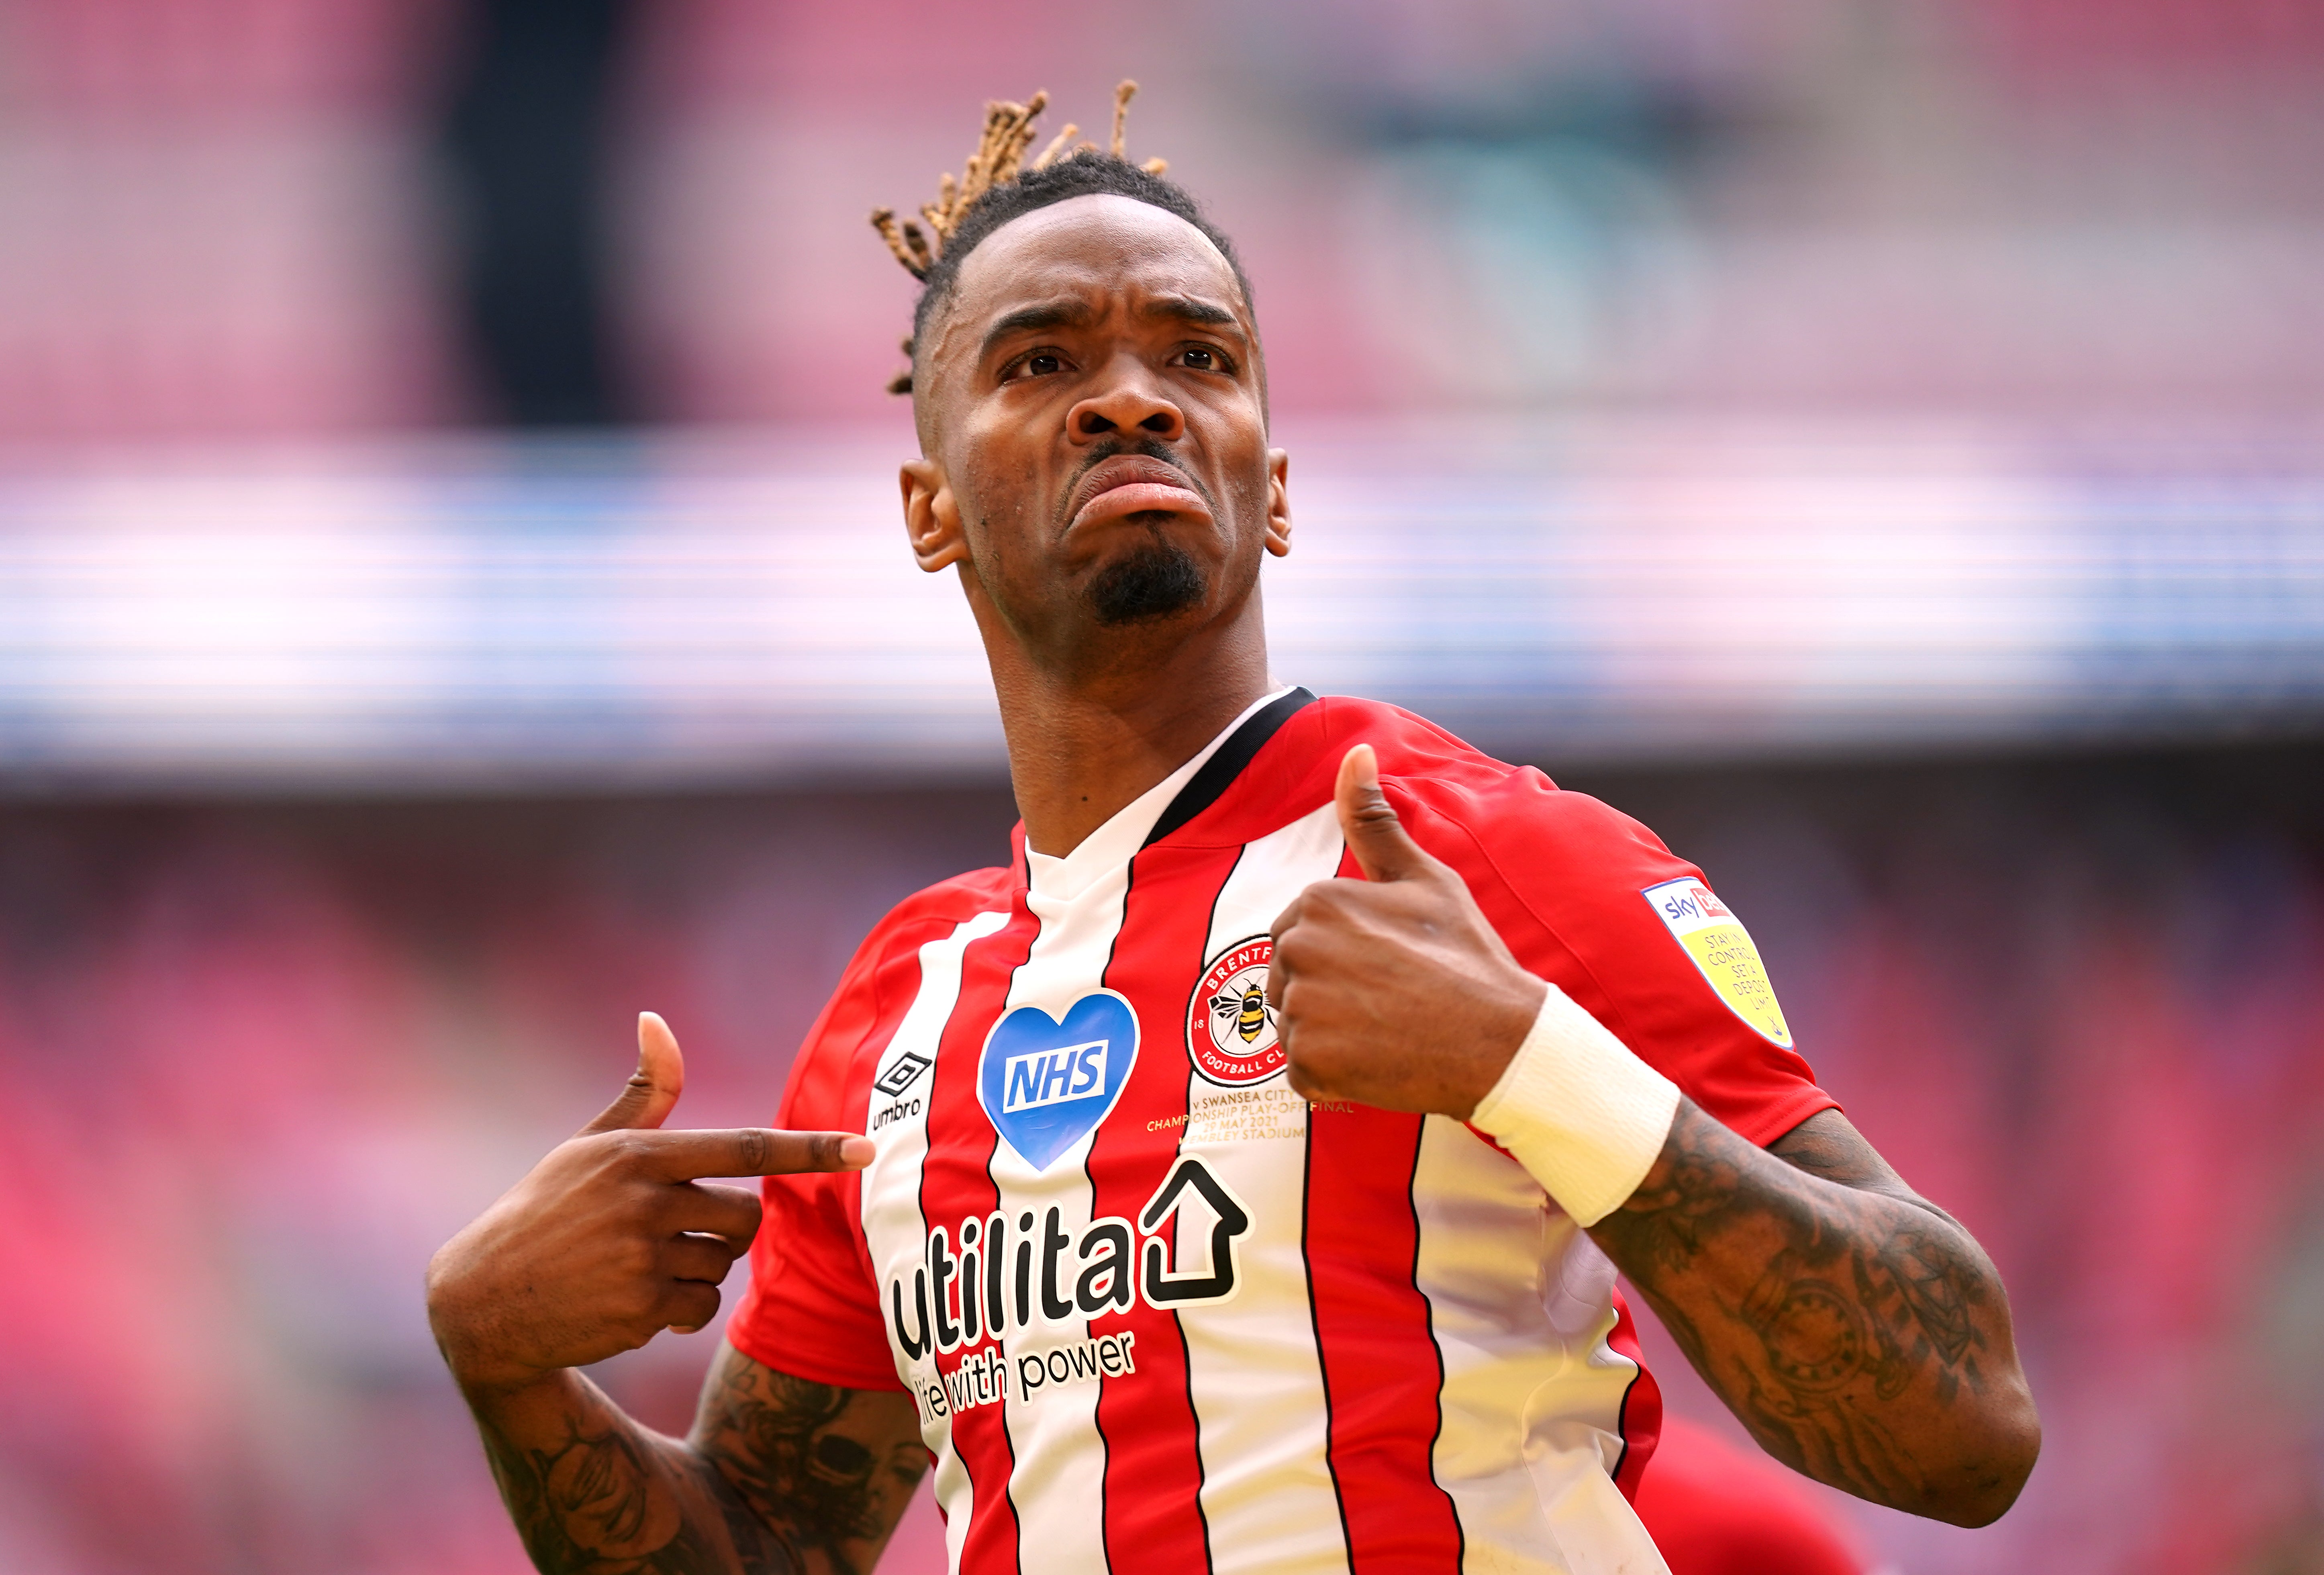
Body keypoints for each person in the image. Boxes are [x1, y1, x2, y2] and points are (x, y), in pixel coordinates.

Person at [425, 83, 2040, 1575]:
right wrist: (507, 1365)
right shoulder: (894, 1020)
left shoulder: (1484, 857)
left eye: (1196, 356)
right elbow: (769, 1543)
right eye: (1042, 359)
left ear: (1271, 479)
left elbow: (1963, 1420)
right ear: (927, 505)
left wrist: (1524, 1058)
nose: (1130, 397)